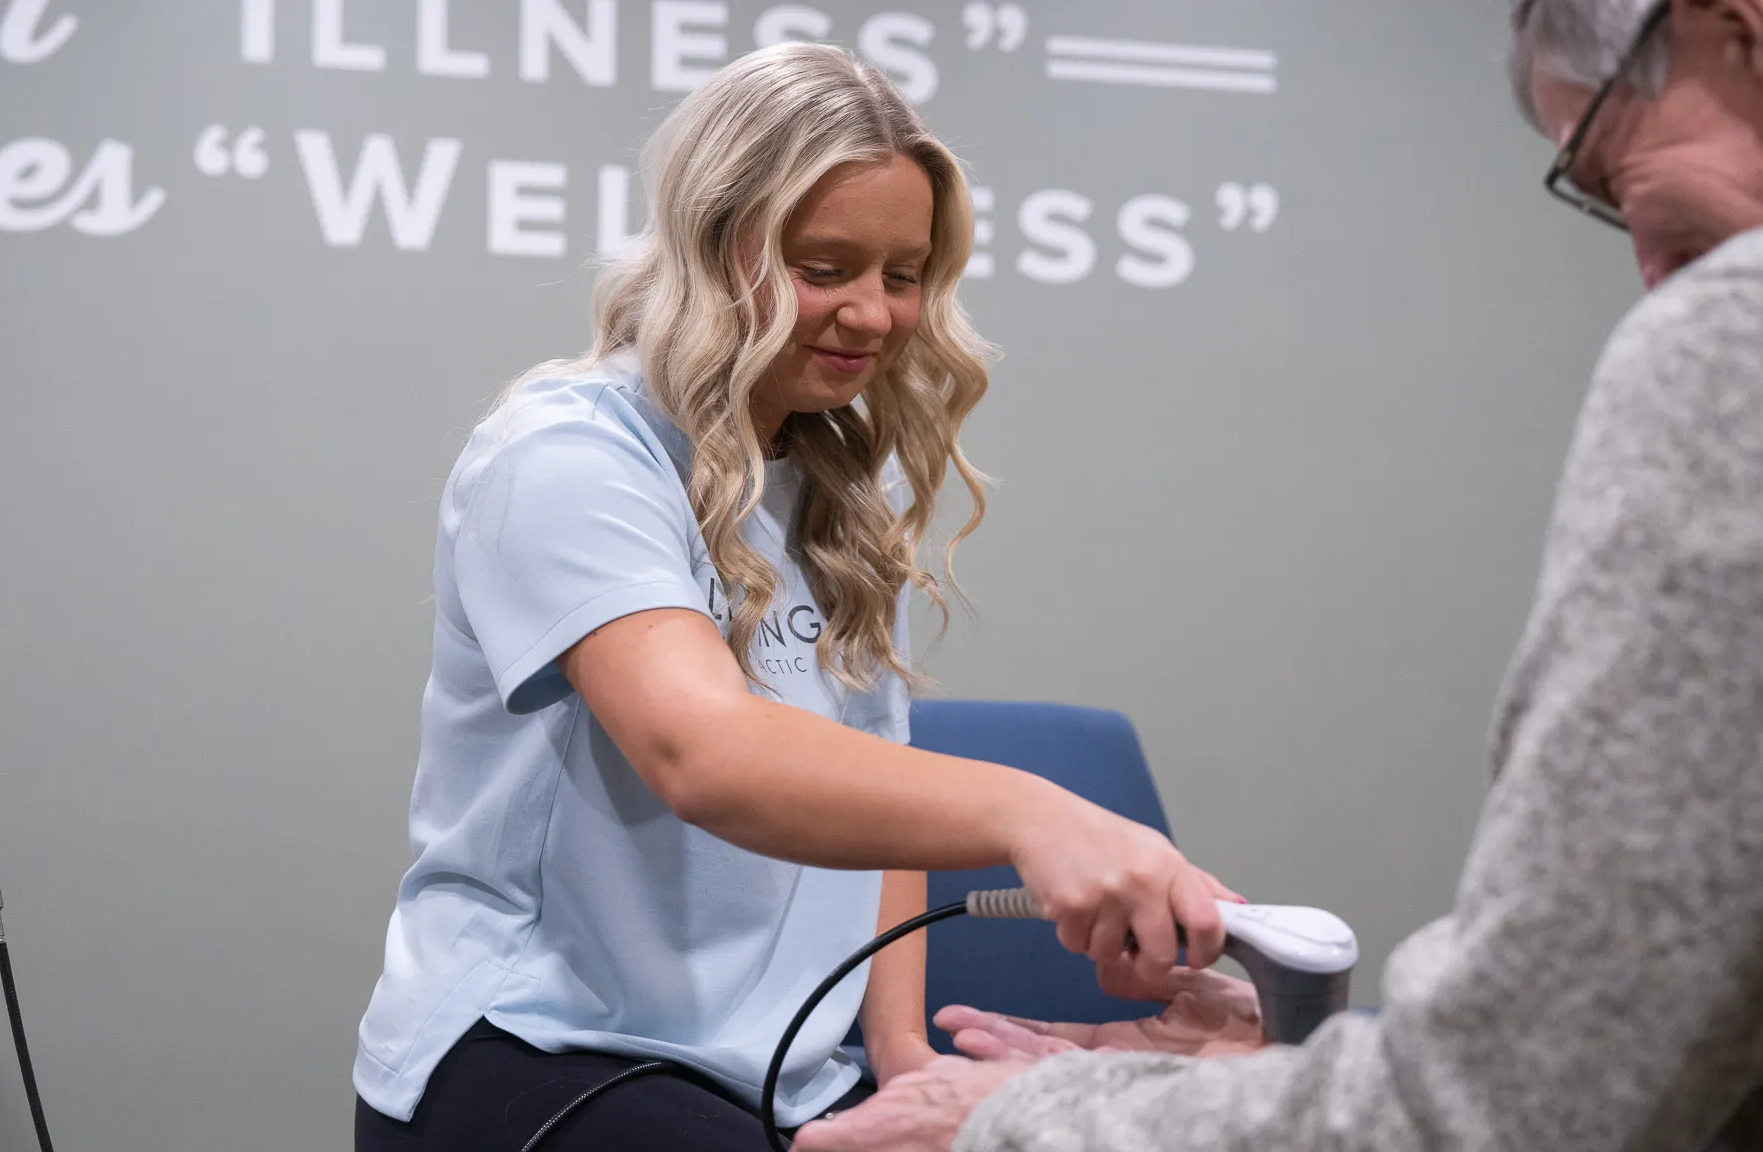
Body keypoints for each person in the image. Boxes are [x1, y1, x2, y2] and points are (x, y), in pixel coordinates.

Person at [790, 0, 1763, 1148]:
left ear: (1734, 31)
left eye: (1609, 171)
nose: (1650, 267)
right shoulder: (609, 450)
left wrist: (1041, 1115)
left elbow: (1524, 1095)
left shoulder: (1725, 343)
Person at [350, 42, 1242, 1152]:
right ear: (711, 243)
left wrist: (900, 1053)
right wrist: (1034, 814)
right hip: (541, 1045)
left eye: (902, 275)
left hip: (785, 1073)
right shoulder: (568, 454)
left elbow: (876, 779)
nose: (871, 315)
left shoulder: (842, 485)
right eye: (825, 269)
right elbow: (705, 755)